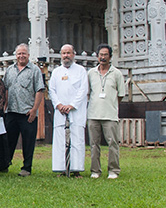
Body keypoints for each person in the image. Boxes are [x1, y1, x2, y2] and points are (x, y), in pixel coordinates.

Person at [2, 43, 45, 177]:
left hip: (27, 113)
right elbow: (5, 89)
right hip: (11, 111)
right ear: (16, 55)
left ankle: (26, 168)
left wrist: (34, 110)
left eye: (24, 53)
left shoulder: (34, 70)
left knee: (28, 142)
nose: (21, 56)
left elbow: (39, 90)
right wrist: (4, 108)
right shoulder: (10, 70)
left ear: (28, 55)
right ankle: (4, 164)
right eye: (19, 53)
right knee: (9, 140)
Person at [87, 43, 126, 179]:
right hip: (93, 114)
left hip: (110, 115)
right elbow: (88, 93)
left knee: (113, 144)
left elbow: (120, 94)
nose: (103, 57)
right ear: (97, 56)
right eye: (101, 55)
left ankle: (113, 170)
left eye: (105, 55)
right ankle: (95, 170)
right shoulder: (91, 73)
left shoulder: (117, 74)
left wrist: (111, 105)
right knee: (94, 144)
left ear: (110, 57)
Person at [49, 44, 88, 177]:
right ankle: (61, 169)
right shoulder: (56, 72)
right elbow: (52, 90)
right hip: (60, 111)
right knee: (60, 141)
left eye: (68, 53)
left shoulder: (81, 71)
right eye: (64, 53)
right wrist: (59, 105)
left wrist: (71, 105)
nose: (66, 55)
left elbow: (83, 90)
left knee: (77, 140)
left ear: (73, 54)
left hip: (76, 111)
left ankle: (76, 169)